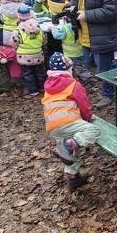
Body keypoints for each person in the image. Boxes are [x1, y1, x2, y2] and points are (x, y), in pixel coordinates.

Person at [42, 52, 101, 192]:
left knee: (71, 153)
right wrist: (88, 119)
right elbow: (84, 107)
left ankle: (72, 178)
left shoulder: (48, 87)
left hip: (52, 126)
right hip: (68, 121)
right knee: (93, 130)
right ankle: (68, 146)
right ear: (68, 69)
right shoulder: (73, 84)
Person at [71, 0, 117, 108]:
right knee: (92, 63)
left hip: (103, 35)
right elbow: (76, 2)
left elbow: (112, 10)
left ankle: (108, 95)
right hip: (85, 34)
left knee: (103, 68)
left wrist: (87, 14)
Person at [10, 13, 45, 96]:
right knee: (40, 72)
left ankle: (33, 91)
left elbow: (13, 43)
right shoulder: (39, 29)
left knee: (28, 74)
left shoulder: (18, 31)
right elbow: (44, 41)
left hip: (24, 56)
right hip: (38, 54)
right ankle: (42, 88)